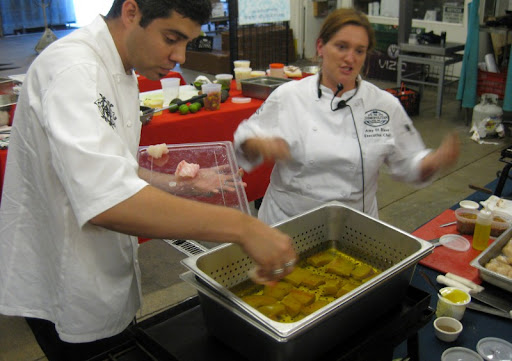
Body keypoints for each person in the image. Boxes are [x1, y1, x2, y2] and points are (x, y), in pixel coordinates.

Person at [0, 0, 296, 360]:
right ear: (131, 12)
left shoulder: (118, 65)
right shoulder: (73, 69)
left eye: (187, 42)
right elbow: (107, 201)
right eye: (171, 38)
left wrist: (177, 183)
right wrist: (244, 228)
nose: (180, 56)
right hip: (65, 276)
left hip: (99, 266)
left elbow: (112, 166)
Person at [233, 8, 460, 226]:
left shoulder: (383, 105)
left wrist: (434, 160)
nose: (350, 58)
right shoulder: (289, 96)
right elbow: (246, 138)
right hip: (288, 223)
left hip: (353, 226)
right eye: (342, 47)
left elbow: (408, 163)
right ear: (320, 46)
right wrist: (259, 144)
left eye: (359, 50)